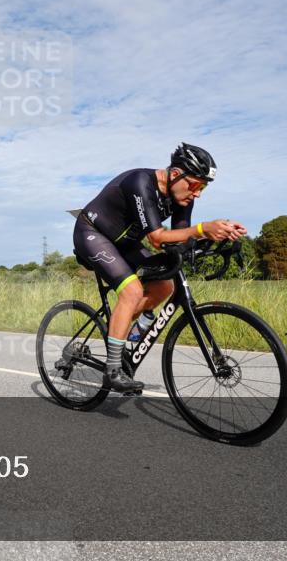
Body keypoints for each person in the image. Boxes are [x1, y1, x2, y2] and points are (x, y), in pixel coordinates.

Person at [73, 143, 246, 392]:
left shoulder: (183, 197)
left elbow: (178, 239)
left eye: (204, 187)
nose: (198, 193)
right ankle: (112, 370)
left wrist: (218, 238)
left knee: (165, 285)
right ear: (176, 174)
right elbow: (156, 237)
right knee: (131, 292)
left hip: (125, 242)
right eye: (196, 185)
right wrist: (202, 229)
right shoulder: (140, 183)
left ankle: (119, 332)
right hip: (92, 233)